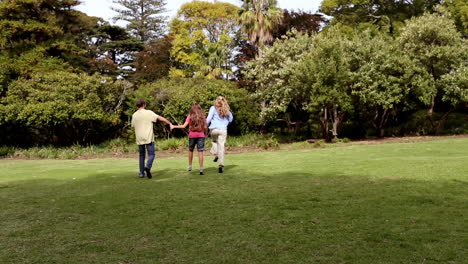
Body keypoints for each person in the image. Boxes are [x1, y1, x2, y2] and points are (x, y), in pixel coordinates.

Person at [131, 98, 172, 179]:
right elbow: (159, 118)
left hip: (139, 138)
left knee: (141, 155)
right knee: (151, 154)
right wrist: (169, 123)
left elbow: (133, 125)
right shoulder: (148, 112)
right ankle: (148, 167)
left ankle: (141, 173)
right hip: (148, 136)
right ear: (144, 105)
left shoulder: (134, 115)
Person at [170, 103, 207, 175]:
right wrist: (204, 132)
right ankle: (201, 169)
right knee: (200, 152)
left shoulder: (190, 116)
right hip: (201, 135)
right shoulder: (203, 116)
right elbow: (205, 127)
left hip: (192, 135)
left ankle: (190, 166)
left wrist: (174, 126)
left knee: (190, 150)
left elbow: (184, 126)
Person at [206, 96, 233, 173]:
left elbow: (208, 119)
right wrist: (226, 121)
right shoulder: (226, 109)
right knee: (221, 146)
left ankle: (216, 153)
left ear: (216, 101)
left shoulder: (213, 108)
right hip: (223, 130)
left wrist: (204, 125)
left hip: (214, 129)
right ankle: (221, 164)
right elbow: (231, 119)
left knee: (214, 141)